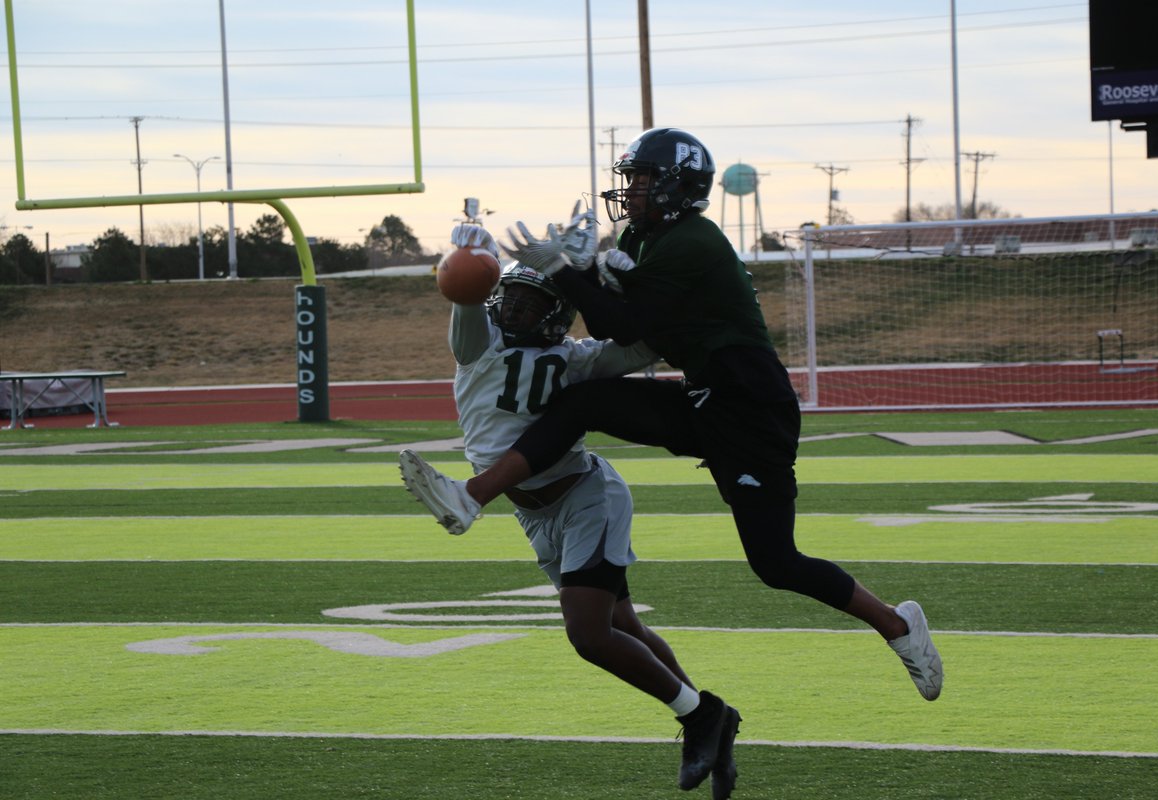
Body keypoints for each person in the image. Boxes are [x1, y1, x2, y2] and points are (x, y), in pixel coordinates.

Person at [400, 128, 943, 709]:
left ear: (678, 185)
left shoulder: (693, 240)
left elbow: (621, 325)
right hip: (701, 395)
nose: (631, 190)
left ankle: (897, 624)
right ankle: (473, 496)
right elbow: (618, 305)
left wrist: (567, 269)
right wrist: (584, 268)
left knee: (776, 562)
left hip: (750, 409)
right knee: (584, 400)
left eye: (643, 179)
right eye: (629, 178)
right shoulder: (642, 234)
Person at [398, 227, 741, 798]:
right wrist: (471, 258)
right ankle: (711, 723)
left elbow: (647, 344)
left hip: (587, 496)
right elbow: (463, 294)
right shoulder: (478, 345)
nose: (515, 310)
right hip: (533, 513)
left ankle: (700, 717)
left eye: (531, 304)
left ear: (557, 316)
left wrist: (610, 284)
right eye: (509, 298)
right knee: (623, 626)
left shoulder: (575, 359)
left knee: (588, 634)